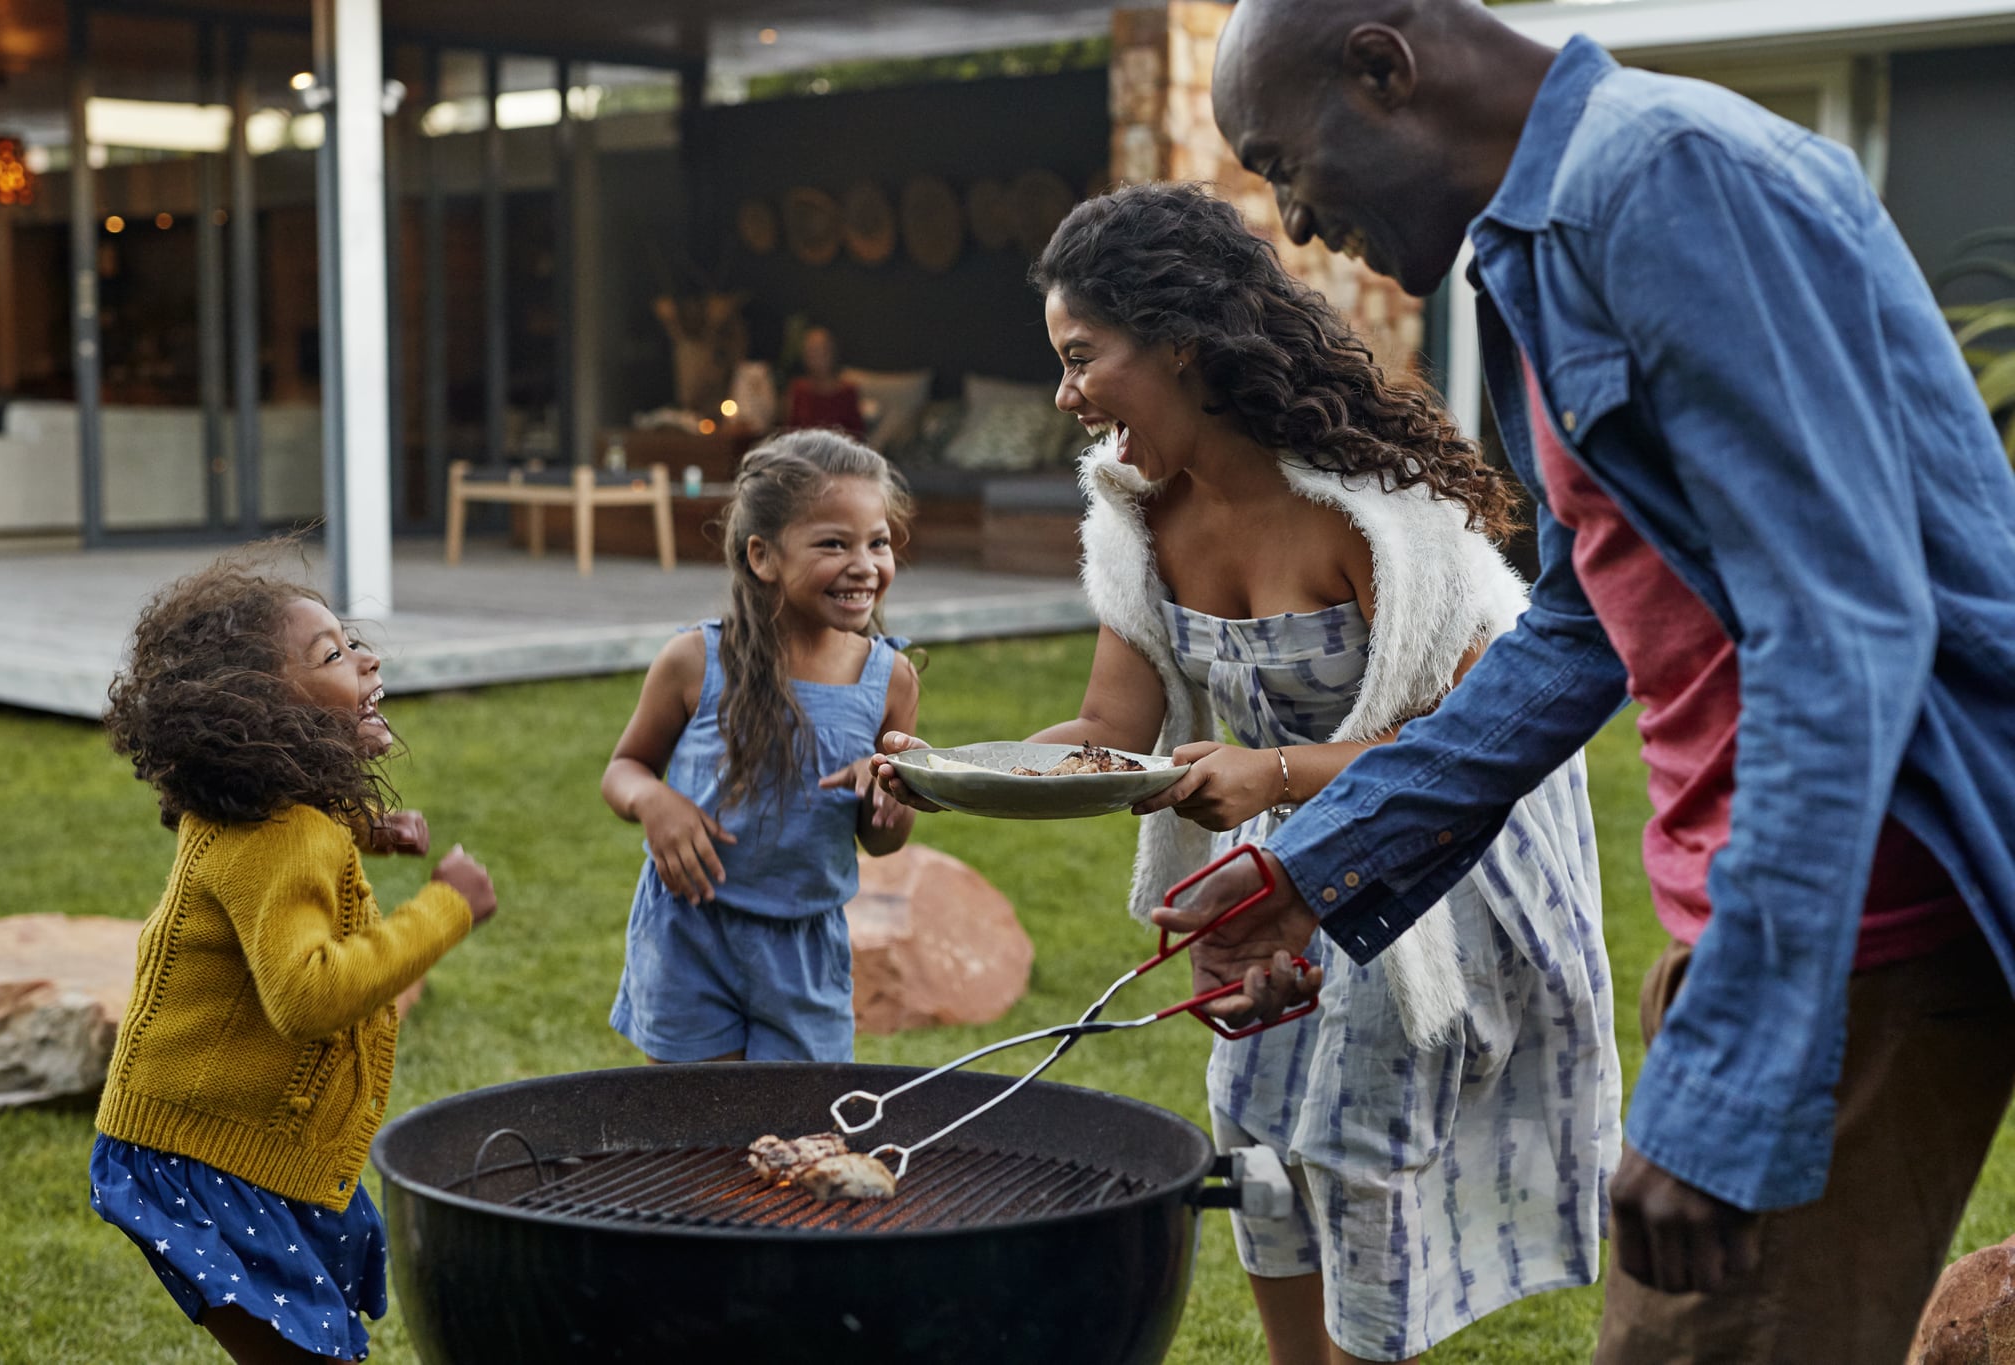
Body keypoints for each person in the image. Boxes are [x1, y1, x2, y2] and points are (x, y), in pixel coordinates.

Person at [1186, 2, 2015, 1361]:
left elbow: (1841, 631)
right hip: (1744, 913)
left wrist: (1732, 1081)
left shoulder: (1665, 182)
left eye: (1285, 165)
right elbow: (1584, 625)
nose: (1295, 225)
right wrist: (1311, 869)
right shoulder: (1530, 253)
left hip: (1865, 924)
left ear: (1383, 69)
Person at [874, 183, 1621, 1364]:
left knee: (1358, 1138)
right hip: (1276, 833)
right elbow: (1107, 730)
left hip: (1441, 859)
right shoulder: (1131, 513)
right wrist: (937, 772)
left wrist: (1272, 775)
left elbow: (1476, 751)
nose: (1067, 397)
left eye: (1082, 359)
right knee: (1255, 1121)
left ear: (1177, 340)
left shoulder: (1383, 518)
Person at [89, 555, 498, 1364]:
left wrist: (362, 826)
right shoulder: (286, 836)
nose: (369, 658)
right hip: (204, 1160)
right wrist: (446, 908)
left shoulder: (256, 810)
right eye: (334, 655)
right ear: (263, 714)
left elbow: (261, 859)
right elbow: (307, 992)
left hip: (226, 1146)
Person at [603, 430, 918, 1064]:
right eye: (835, 543)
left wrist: (889, 794)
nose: (864, 564)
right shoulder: (695, 660)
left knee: (796, 1140)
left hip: (805, 949)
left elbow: (883, 838)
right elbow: (624, 768)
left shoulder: (890, 678)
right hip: (690, 933)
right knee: (695, 1132)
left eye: (877, 542)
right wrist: (653, 803)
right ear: (763, 556)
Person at [780, 326, 867, 439]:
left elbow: (858, 437)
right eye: (810, 352)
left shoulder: (847, 392)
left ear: (832, 353)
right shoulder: (798, 389)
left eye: (821, 351)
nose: (816, 358)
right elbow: (789, 432)